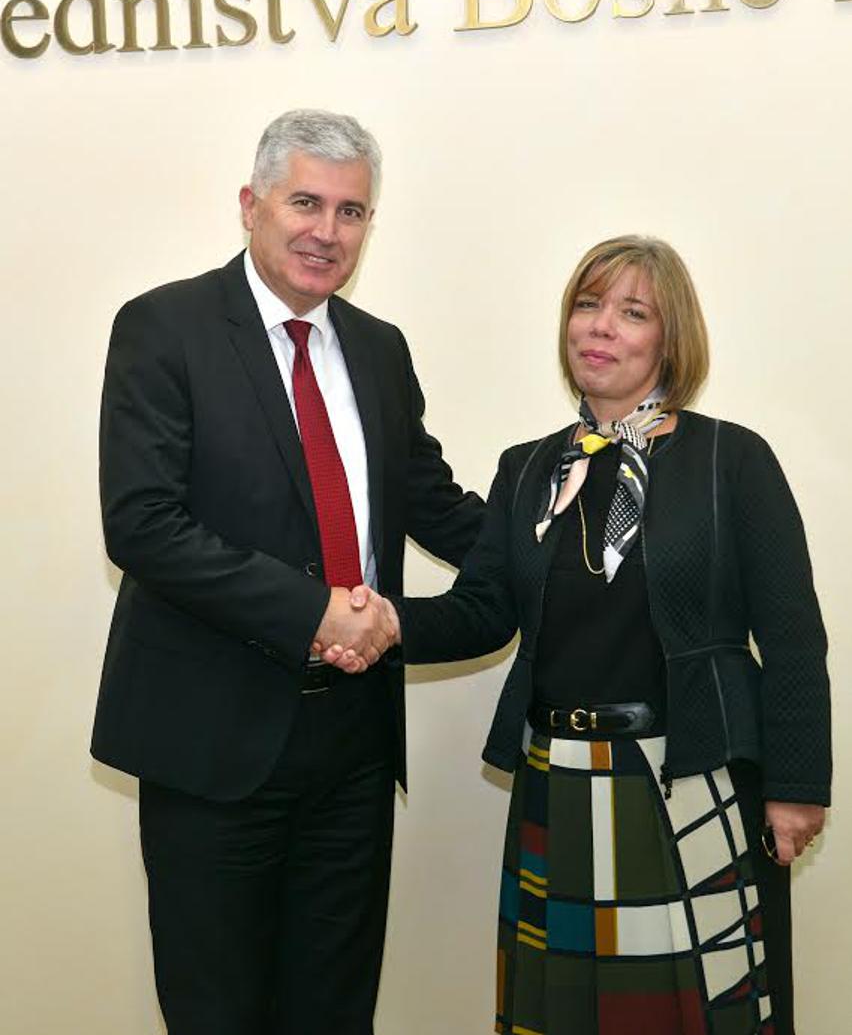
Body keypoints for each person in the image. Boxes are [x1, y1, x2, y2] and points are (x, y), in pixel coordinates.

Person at [329, 235, 831, 1035]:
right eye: (588, 305)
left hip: (691, 779)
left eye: (632, 313)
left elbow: (795, 639)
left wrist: (798, 785)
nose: (600, 326)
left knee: (701, 1014)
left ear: (671, 339)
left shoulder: (731, 461)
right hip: (556, 779)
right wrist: (389, 621)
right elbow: (483, 610)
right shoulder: (529, 469)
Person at [91, 108, 483, 1035]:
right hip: (213, 746)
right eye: (306, 203)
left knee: (335, 1011)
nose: (327, 232)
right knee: (218, 1012)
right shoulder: (163, 327)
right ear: (251, 204)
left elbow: (434, 504)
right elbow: (142, 525)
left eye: (351, 212)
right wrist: (315, 611)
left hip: (352, 750)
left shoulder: (379, 349)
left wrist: (569, 542)